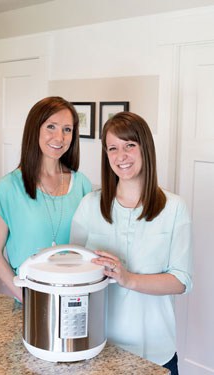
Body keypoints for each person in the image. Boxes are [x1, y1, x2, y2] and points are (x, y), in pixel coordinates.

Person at [70, 112, 192, 375]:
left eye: (129, 146)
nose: (120, 155)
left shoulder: (174, 208)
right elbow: (74, 274)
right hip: (98, 347)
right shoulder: (89, 206)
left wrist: (128, 278)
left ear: (145, 148)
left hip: (156, 352)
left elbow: (181, 281)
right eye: (112, 148)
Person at [0, 96, 92, 302]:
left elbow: (90, 247)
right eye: (51, 127)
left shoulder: (82, 185)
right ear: (35, 129)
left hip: (76, 299)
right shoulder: (9, 187)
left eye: (67, 129)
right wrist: (25, 296)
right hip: (30, 303)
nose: (59, 137)